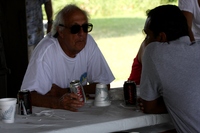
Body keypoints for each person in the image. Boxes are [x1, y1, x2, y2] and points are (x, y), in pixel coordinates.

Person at [21, 4, 115, 112]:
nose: (82, 34)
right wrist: (58, 103)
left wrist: (65, 91)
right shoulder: (46, 51)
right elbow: (28, 96)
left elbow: (103, 86)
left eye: (85, 28)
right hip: (51, 118)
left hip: (79, 113)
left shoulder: (88, 42)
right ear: (60, 31)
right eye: (75, 29)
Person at [138, 5, 200, 132]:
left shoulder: (154, 52)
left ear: (161, 37)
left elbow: (149, 107)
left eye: (147, 35)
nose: (146, 41)